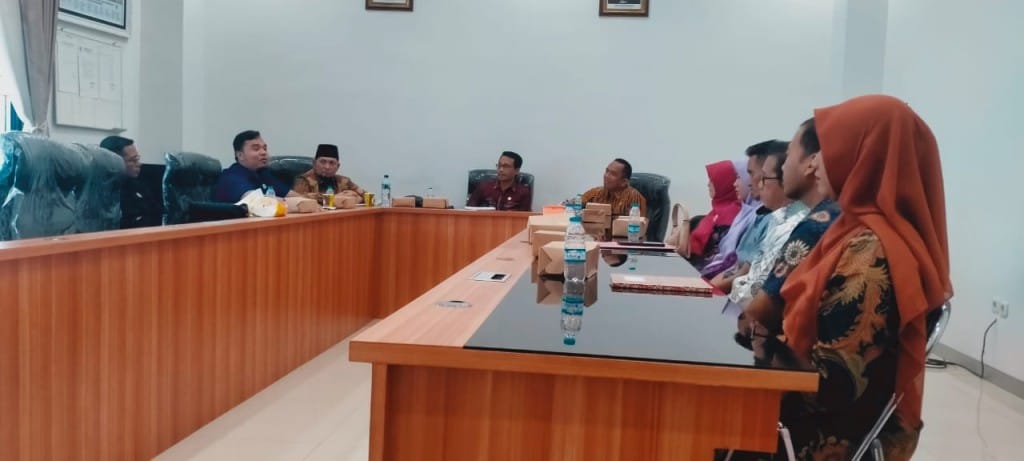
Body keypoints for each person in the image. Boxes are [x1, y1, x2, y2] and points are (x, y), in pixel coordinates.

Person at [736, 95, 950, 461]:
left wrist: (759, 349)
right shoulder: (853, 231)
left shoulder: (871, 252)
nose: (817, 163)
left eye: (831, 149)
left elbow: (834, 385)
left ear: (866, 157)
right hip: (822, 412)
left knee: (695, 417)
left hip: (824, 431)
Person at [725, 147, 810, 307]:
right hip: (742, 302)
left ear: (784, 181)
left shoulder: (795, 224)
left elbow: (759, 291)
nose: (758, 184)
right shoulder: (777, 218)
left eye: (764, 178)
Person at [701, 140, 787, 279]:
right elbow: (738, 266)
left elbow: (746, 271)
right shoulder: (753, 215)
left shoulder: (778, 220)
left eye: (743, 176)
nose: (736, 183)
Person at [683, 160, 742, 270]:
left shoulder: (732, 217)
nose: (708, 184)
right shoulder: (715, 213)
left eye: (713, 180)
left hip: (708, 273)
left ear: (724, 184)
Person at [213, 130, 298, 203]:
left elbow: (293, 196)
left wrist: (302, 201)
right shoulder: (231, 177)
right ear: (240, 155)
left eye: (265, 148)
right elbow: (257, 202)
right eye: (256, 149)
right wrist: (298, 204)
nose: (263, 152)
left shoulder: (263, 174)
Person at [100, 135, 162, 228]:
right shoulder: (104, 193)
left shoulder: (136, 184)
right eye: (133, 160)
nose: (139, 164)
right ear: (114, 162)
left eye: (137, 159)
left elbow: (155, 213)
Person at [292, 144, 365, 205]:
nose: (327, 167)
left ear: (338, 166)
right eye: (323, 162)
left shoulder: (344, 181)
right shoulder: (303, 180)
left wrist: (358, 198)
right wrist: (335, 198)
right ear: (314, 163)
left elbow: (366, 196)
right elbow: (299, 201)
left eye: (332, 163)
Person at [467, 151, 532, 211]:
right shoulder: (483, 187)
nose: (501, 169)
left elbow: (524, 217)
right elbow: (469, 211)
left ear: (516, 171)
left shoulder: (523, 193)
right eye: (499, 165)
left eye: (506, 166)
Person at [580, 158, 646, 216]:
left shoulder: (634, 198)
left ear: (624, 182)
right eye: (607, 171)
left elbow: (637, 224)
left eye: (613, 174)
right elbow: (578, 204)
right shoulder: (596, 192)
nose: (606, 176)